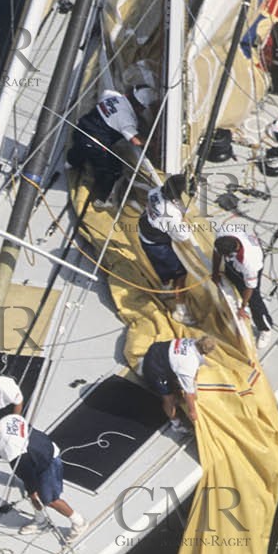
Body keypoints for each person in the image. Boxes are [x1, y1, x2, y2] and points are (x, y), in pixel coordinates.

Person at [0, 413, 85, 540]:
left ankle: (79, 523)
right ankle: (40, 520)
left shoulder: (9, 449)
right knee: (36, 494)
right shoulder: (9, 418)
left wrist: (32, 491)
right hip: (50, 450)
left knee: (49, 500)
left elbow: (26, 474)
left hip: (47, 466)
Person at [68, 87, 149, 207]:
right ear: (139, 107)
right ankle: (102, 199)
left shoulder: (111, 95)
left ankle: (71, 162)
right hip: (95, 145)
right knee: (113, 169)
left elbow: (106, 100)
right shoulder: (127, 119)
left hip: (80, 130)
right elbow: (135, 140)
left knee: (79, 149)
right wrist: (151, 142)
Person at [137, 174, 193, 303]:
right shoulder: (170, 213)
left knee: (159, 265)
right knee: (180, 273)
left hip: (145, 232)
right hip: (157, 243)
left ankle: (165, 286)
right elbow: (182, 236)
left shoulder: (154, 192)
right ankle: (179, 306)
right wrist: (189, 227)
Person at [139, 334, 214, 427]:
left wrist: (194, 384)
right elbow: (188, 394)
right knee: (169, 399)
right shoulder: (189, 364)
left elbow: (195, 369)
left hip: (158, 348)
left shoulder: (192, 341)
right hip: (155, 366)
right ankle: (176, 423)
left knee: (178, 385)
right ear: (206, 352)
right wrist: (192, 412)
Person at [212, 223, 271, 335]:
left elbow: (249, 288)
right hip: (236, 262)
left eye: (226, 256)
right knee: (230, 276)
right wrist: (215, 273)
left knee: (254, 299)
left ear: (231, 253)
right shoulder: (223, 233)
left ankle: (265, 328)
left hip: (251, 265)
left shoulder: (250, 263)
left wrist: (242, 307)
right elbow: (216, 252)